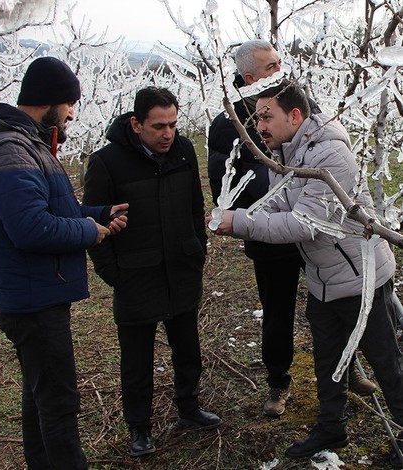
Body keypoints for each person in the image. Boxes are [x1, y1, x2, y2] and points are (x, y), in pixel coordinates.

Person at [210, 80, 403, 464]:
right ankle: (332, 426)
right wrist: (238, 216)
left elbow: (304, 223)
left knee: (386, 362)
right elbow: (278, 202)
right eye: (256, 118)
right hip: (324, 280)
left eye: (266, 117)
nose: (259, 127)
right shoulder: (289, 154)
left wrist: (241, 223)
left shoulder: (329, 154)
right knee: (327, 361)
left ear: (295, 116)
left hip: (360, 279)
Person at [0, 56, 128, 469]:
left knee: (41, 394)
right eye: (70, 103)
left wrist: (97, 212)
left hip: (28, 292)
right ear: (49, 100)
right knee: (58, 401)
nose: (71, 113)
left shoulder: (23, 142)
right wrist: (91, 232)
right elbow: (30, 228)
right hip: (30, 298)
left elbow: (48, 207)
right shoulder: (11, 149)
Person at [207, 39, 377, 418]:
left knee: (334, 306)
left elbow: (320, 157)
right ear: (249, 76)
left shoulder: (296, 103)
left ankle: (348, 369)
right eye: (271, 66)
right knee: (278, 312)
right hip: (269, 234)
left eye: (280, 63)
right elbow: (227, 183)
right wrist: (276, 195)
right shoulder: (228, 124)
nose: (280, 70)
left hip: (317, 236)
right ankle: (278, 382)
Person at [83, 86, 221, 458]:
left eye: (173, 125)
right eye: (159, 126)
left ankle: (189, 407)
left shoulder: (184, 151)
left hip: (181, 268)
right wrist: (114, 274)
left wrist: (197, 251)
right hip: (135, 275)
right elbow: (94, 223)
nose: (168, 134)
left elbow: (196, 205)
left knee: (187, 348)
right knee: (137, 359)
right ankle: (139, 428)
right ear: (136, 124)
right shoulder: (107, 163)